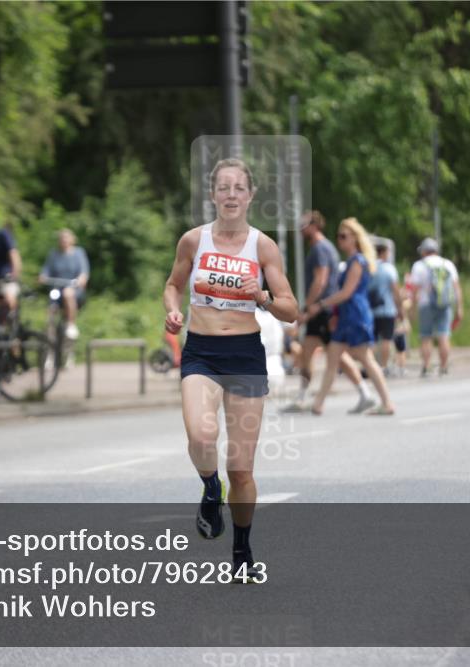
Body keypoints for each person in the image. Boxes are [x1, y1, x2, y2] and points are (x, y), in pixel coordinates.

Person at [163, 158, 298, 582]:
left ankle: (242, 551)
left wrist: (261, 296)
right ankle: (209, 487)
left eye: (239, 187)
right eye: (224, 187)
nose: (231, 194)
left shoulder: (263, 247)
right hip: (201, 351)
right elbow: (173, 285)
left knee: (241, 470)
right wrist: (172, 311)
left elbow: (291, 309)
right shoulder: (193, 240)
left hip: (244, 356)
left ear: (251, 195)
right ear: (212, 194)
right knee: (201, 435)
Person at [282, 211, 379, 414]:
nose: (300, 228)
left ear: (315, 225)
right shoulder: (323, 248)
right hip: (323, 309)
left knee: (340, 355)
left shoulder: (320, 249)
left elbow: (321, 280)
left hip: (323, 310)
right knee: (312, 352)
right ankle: (305, 398)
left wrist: (309, 307)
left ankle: (365, 393)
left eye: (304, 224)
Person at [306, 218, 396, 416]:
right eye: (338, 236)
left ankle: (387, 402)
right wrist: (335, 314)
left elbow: (347, 293)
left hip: (356, 315)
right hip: (346, 315)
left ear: (355, 238)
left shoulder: (358, 261)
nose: (340, 240)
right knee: (333, 357)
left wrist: (321, 305)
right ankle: (318, 404)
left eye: (344, 236)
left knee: (365, 358)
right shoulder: (350, 261)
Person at [409, 237, 462, 377]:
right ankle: (443, 367)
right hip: (445, 304)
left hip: (425, 304)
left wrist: (412, 309)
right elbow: (456, 288)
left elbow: (414, 290)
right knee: (444, 335)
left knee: (426, 337)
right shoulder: (448, 264)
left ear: (423, 251)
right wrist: (459, 308)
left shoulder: (419, 266)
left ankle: (426, 367)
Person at [39, 229, 90, 340]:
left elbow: (84, 272)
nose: (64, 240)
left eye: (66, 238)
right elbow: (46, 270)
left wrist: (81, 279)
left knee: (68, 293)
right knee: (51, 304)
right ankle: (50, 331)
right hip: (57, 288)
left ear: (72, 239)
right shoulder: (54, 254)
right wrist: (42, 276)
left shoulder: (79, 253)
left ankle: (71, 324)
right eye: (62, 238)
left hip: (74, 289)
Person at [369, 237, 404, 375]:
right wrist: (400, 309)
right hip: (387, 309)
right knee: (386, 339)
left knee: (371, 340)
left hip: (371, 309)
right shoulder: (389, 269)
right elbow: (395, 291)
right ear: (383, 253)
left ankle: (371, 366)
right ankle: (383, 367)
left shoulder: (370, 267)